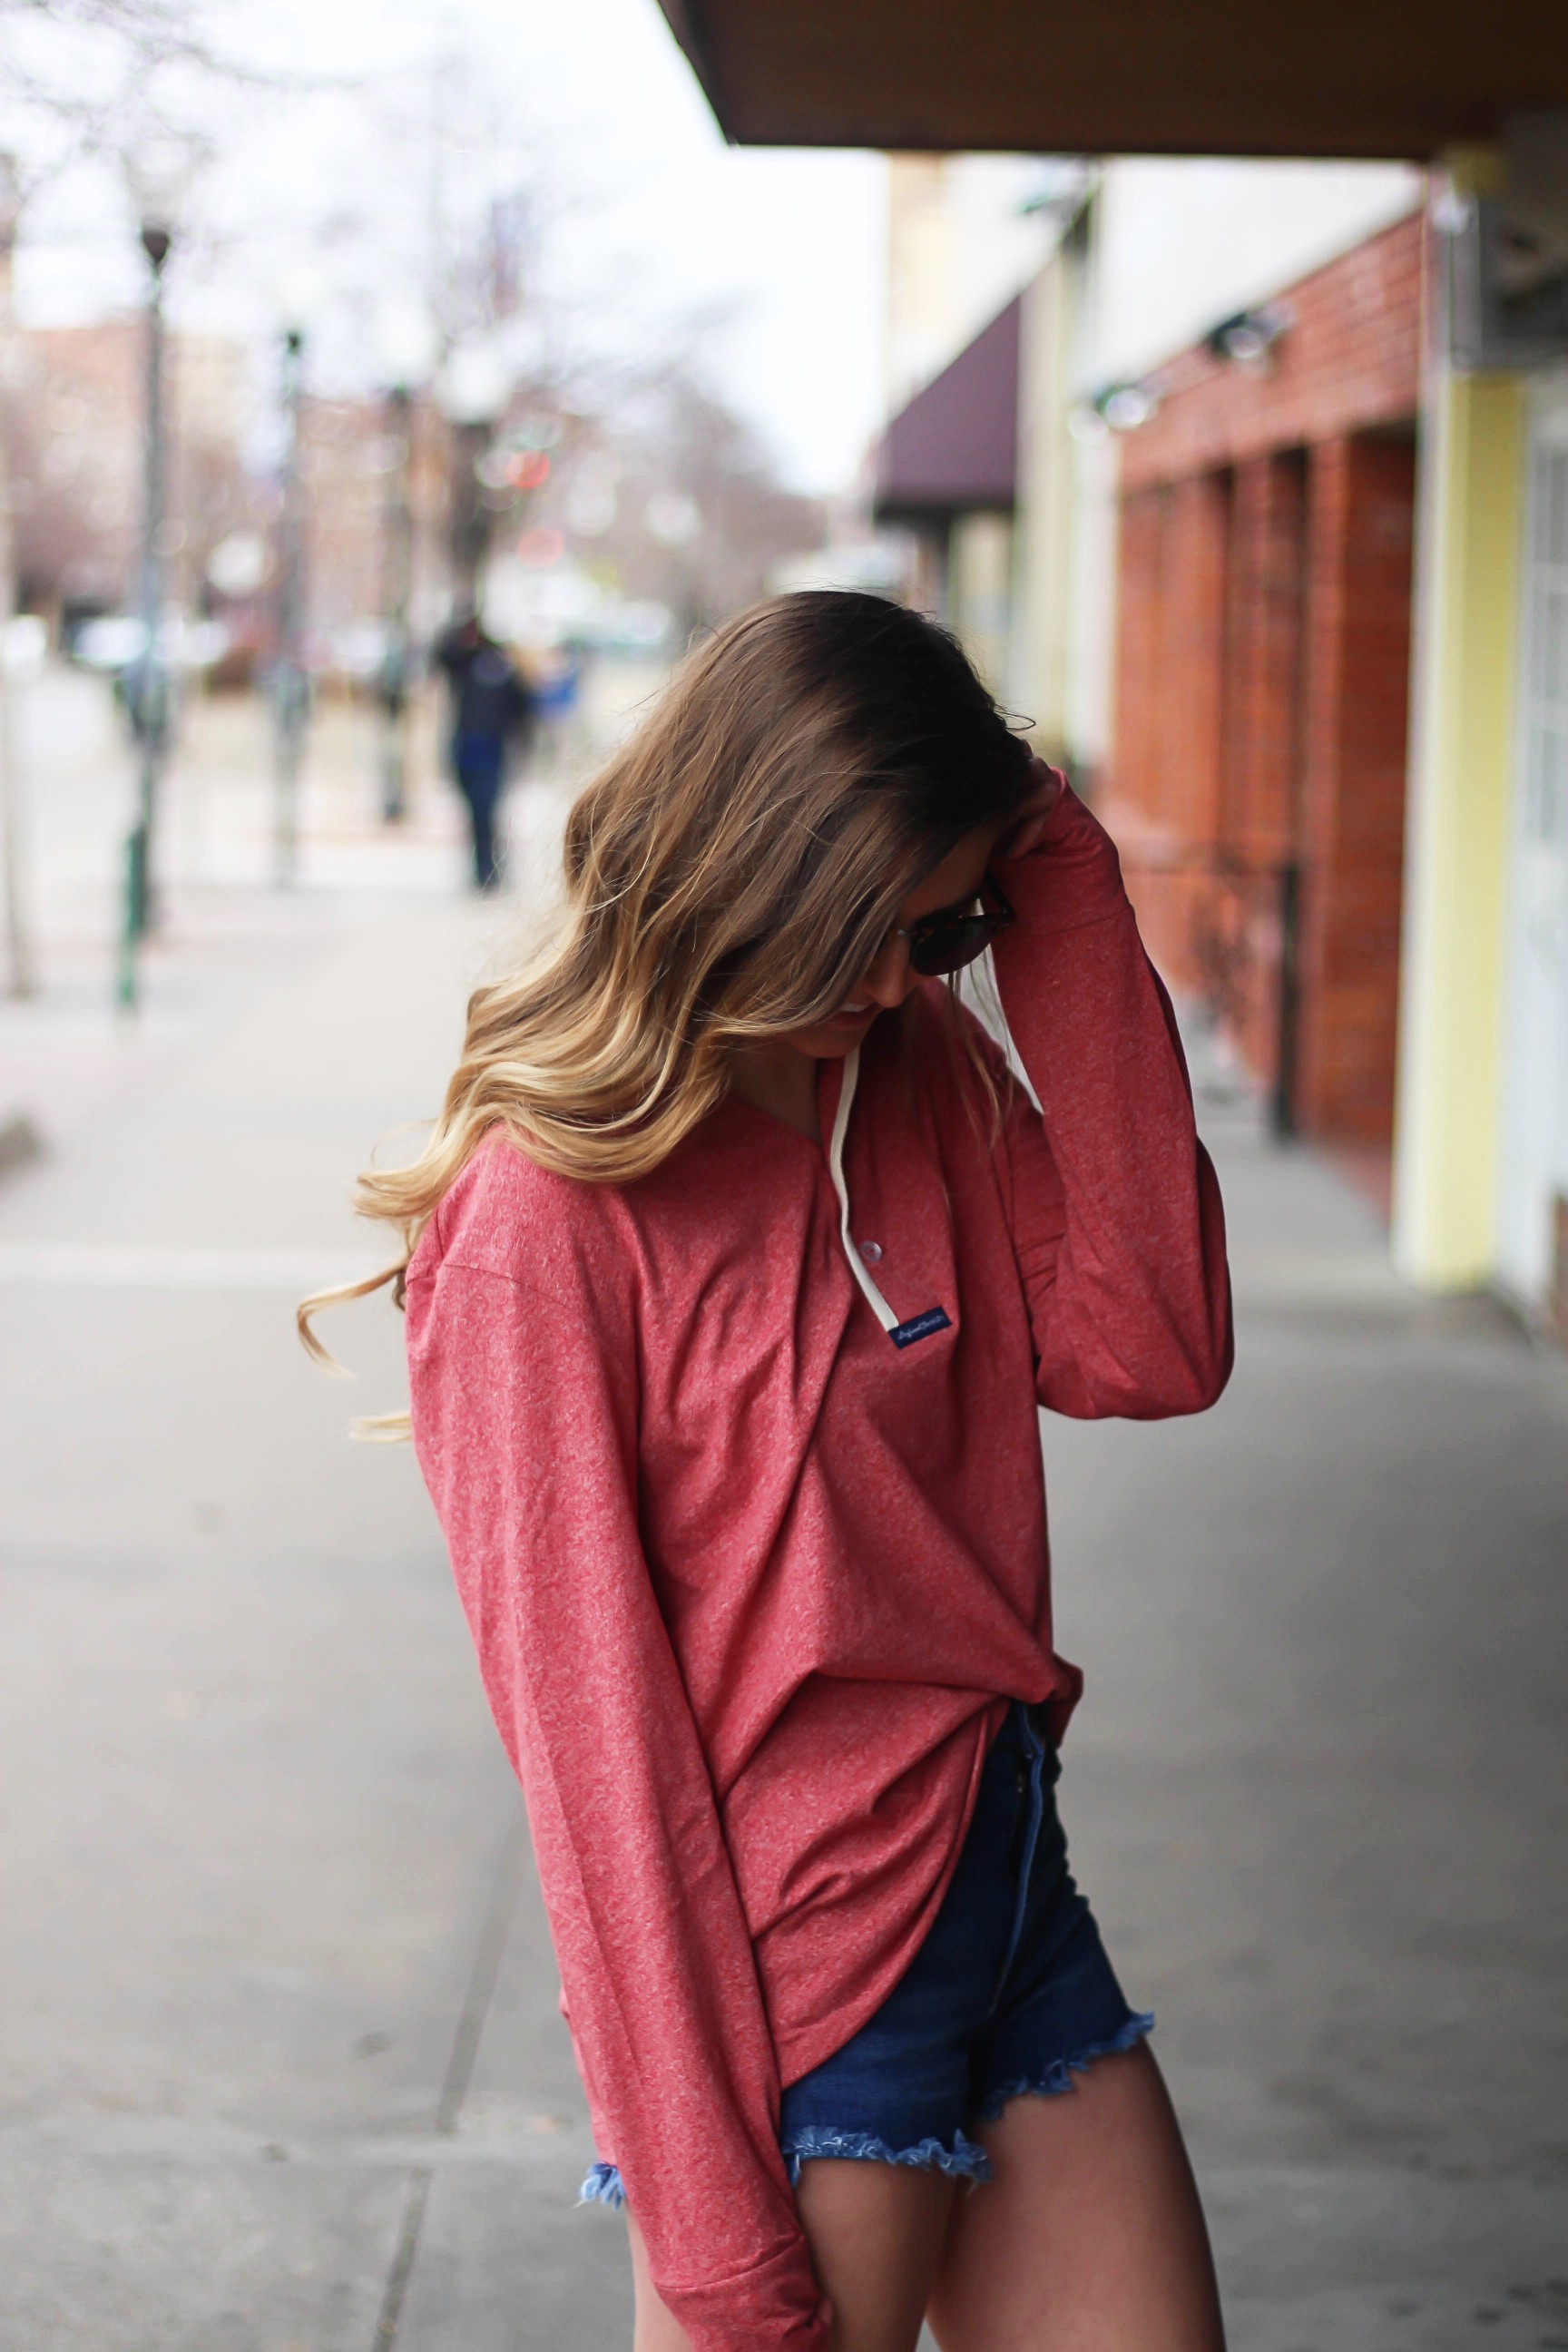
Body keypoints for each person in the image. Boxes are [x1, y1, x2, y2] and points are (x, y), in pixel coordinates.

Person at [301, 593, 1233, 2352]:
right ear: (756, 869)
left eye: (935, 925)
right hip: (813, 1983)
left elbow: (1152, 1337)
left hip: (1009, 1876)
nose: (897, 979)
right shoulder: (539, 1224)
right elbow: (601, 1778)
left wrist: (1059, 875)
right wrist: (720, 2248)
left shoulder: (917, 1069)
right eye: (869, 930)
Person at [433, 608, 536, 888]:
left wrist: (523, 746)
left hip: (492, 752)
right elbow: (441, 656)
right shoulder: (465, 665)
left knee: (486, 812)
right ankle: (483, 868)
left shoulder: (503, 671)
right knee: (474, 813)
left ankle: (489, 870)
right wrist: (462, 626)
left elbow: (523, 709)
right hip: (466, 749)